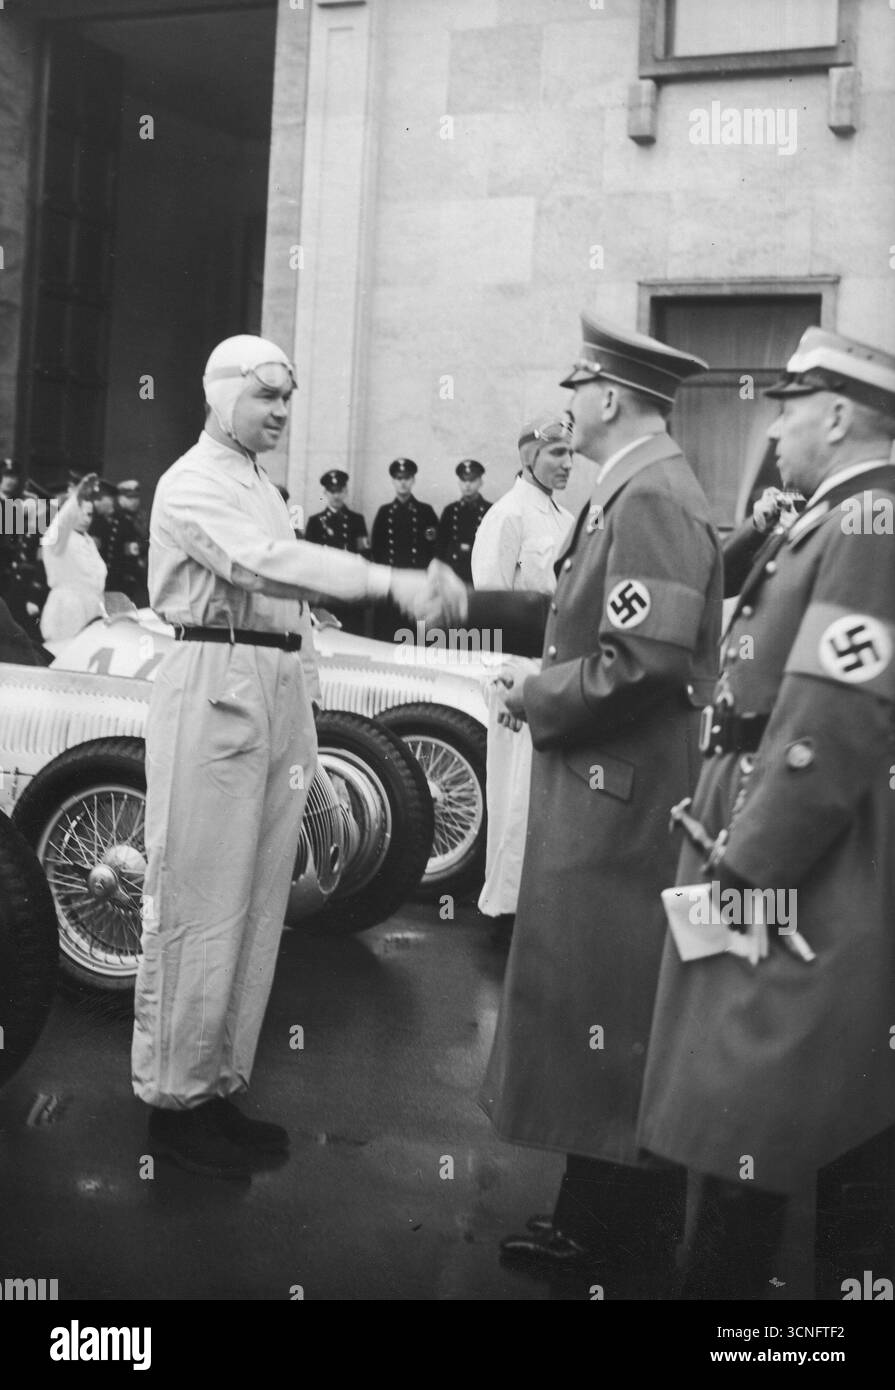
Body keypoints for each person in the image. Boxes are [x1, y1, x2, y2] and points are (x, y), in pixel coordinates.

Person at [420, 314, 723, 1295]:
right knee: (598, 1008)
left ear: (610, 398)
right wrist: (471, 608)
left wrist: (535, 694)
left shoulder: (651, 494)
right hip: (610, 788)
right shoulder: (631, 486)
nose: (566, 409)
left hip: (619, 798)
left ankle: (621, 1238)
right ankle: (596, 1217)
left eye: (576, 390)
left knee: (612, 1010)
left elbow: (642, 661)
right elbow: (580, 617)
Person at [637, 327, 895, 1300]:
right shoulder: (839, 514)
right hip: (759, 817)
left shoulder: (869, 520)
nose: (773, 429)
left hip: (792, 844)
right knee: (740, 1076)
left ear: (838, 415)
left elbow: (834, 716)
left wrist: (745, 866)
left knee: (753, 1080)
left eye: (787, 409)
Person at [132, 334, 429, 1181]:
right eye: (266, 396)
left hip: (272, 683)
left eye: (288, 399)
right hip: (214, 681)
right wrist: (385, 580)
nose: (281, 413)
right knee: (199, 897)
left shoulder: (261, 487)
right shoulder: (191, 481)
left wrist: (305, 681)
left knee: (260, 901)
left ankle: (217, 1085)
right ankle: (172, 1102)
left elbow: (286, 599)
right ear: (222, 394)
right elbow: (261, 565)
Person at [470, 418, 573, 931]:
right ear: (529, 457)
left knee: (545, 795)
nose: (567, 464)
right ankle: (505, 910)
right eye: (556, 453)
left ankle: (536, 906)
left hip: (556, 671)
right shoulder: (506, 515)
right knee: (514, 794)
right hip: (518, 671)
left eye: (571, 453)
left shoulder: (566, 518)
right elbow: (489, 604)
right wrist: (503, 678)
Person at [370, 458, 439, 641]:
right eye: (398, 478)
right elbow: (377, 550)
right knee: (388, 633)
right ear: (393, 481)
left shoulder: (425, 512)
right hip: (392, 582)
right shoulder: (385, 513)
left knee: (417, 636)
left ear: (413, 480)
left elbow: (434, 548)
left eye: (407, 478)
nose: (403, 482)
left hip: (417, 582)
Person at [39, 472, 106, 641]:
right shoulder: (57, 537)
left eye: (89, 514)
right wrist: (78, 496)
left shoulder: (88, 541)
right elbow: (62, 522)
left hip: (92, 611)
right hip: (67, 611)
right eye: (80, 512)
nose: (85, 519)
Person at [305, 470, 370, 636]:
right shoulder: (315, 522)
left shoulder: (357, 520)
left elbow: (364, 554)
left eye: (340, 491)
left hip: (350, 587)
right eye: (332, 491)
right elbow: (310, 559)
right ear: (325, 493)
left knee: (352, 631)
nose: (336, 495)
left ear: (346, 492)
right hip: (326, 588)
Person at [437, 459, 491, 583]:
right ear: (459, 482)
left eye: (472, 480)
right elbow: (440, 546)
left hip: (480, 573)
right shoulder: (450, 511)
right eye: (463, 480)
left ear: (480, 482)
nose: (467, 485)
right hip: (453, 573)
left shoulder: (490, 510)